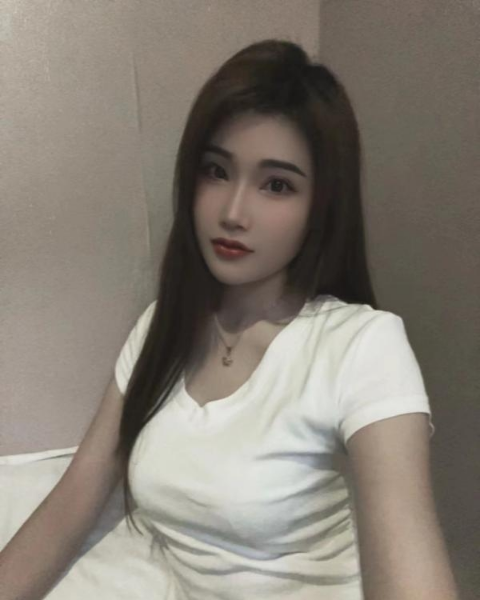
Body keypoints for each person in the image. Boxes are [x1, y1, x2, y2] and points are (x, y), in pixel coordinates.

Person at [0, 39, 459, 600]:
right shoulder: (160, 328)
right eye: (216, 171)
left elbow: (411, 561)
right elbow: (75, 498)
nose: (233, 213)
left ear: (322, 206)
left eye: (277, 185)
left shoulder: (362, 345)